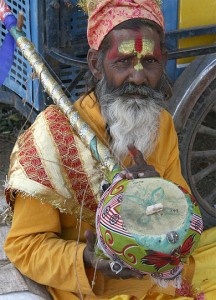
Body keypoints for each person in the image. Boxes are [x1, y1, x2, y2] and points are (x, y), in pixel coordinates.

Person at [3, 0, 216, 299]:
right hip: (87, 289)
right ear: (95, 64)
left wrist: (162, 190)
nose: (139, 77)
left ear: (164, 60)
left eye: (150, 62)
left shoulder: (162, 123)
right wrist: (87, 258)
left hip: (158, 283)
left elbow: (181, 220)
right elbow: (24, 246)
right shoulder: (51, 135)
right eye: (123, 62)